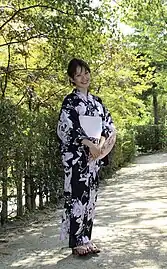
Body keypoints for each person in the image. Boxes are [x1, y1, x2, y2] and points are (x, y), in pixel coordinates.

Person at [57, 58, 116, 256]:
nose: (84, 77)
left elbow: (108, 126)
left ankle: (86, 238)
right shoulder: (70, 102)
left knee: (90, 198)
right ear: (72, 79)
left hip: (94, 157)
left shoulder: (97, 102)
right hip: (77, 157)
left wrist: (100, 144)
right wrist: (89, 143)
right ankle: (76, 242)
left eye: (86, 72)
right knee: (77, 197)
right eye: (78, 75)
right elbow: (66, 128)